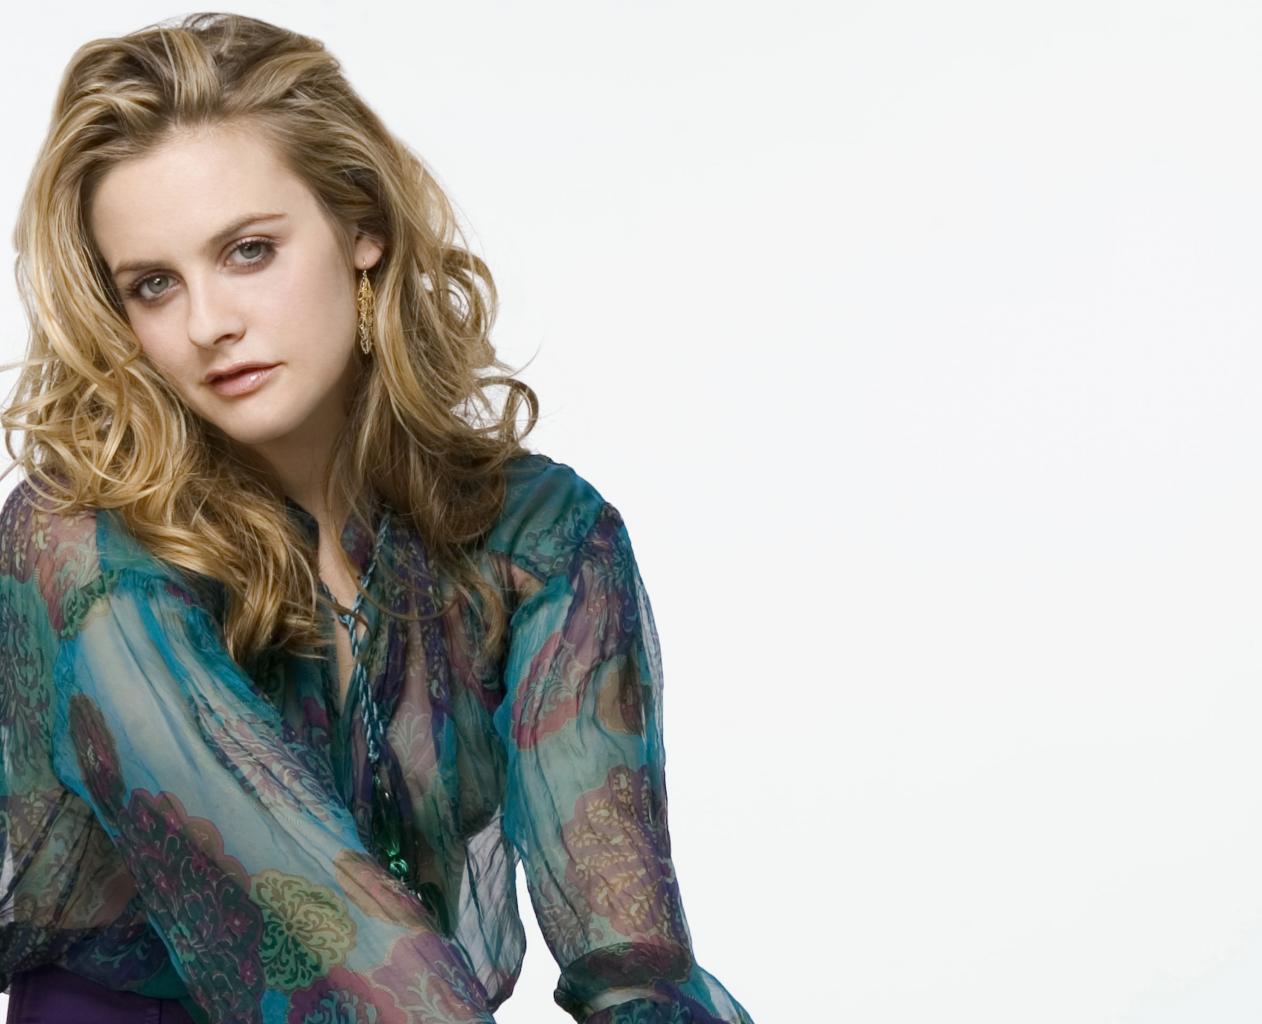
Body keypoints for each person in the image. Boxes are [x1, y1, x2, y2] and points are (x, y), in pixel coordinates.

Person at [0, 12, 754, 1024]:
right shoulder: (82, 543)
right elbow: (318, 921)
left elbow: (631, 960)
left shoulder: (539, 543)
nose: (208, 323)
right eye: (154, 285)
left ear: (363, 227)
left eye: (249, 251)